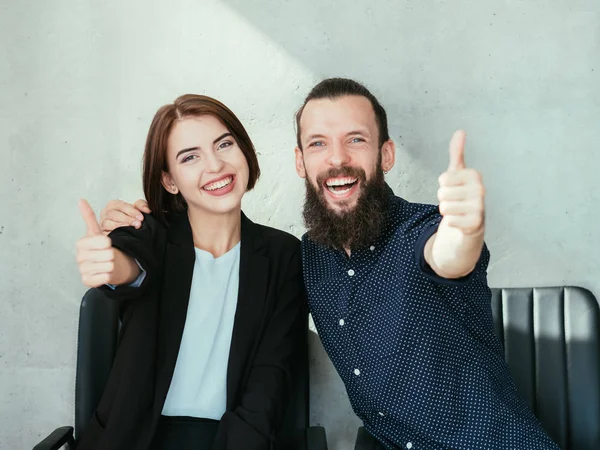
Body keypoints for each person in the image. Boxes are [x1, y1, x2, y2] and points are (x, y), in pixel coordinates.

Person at [100, 79, 559, 449]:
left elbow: (449, 256)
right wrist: (124, 239)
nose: (337, 158)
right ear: (300, 162)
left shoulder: (423, 229)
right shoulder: (309, 258)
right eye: (318, 144)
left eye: (355, 140)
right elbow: (133, 270)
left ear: (387, 154)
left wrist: (467, 228)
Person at [75, 94, 305, 450]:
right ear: (169, 180)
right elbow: (132, 266)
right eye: (190, 157)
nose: (215, 166)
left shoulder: (283, 255)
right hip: (134, 438)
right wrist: (111, 266)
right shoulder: (149, 233)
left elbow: (270, 376)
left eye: (224, 145)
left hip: (232, 438)